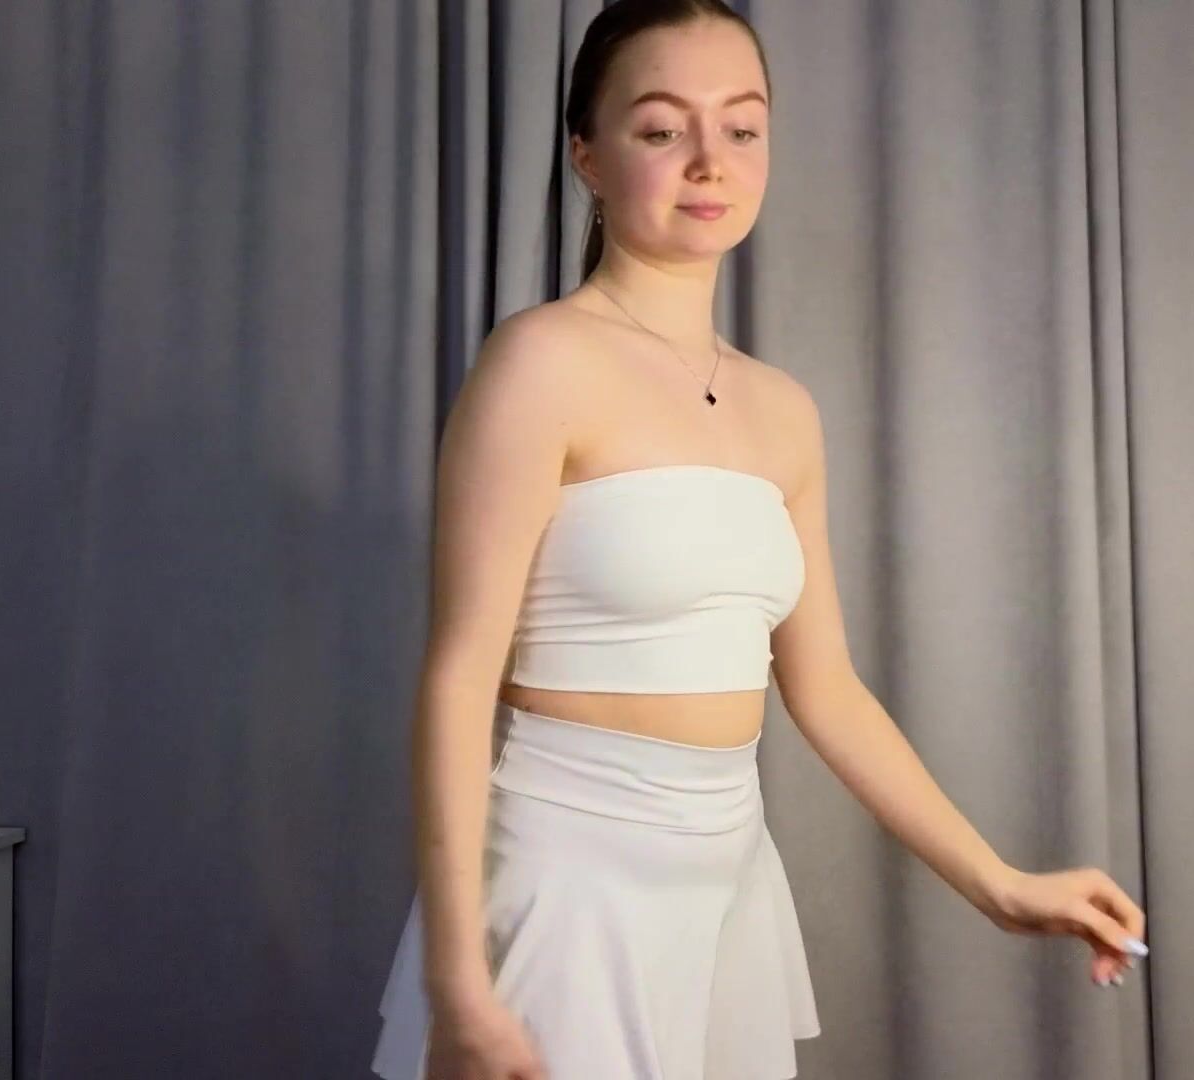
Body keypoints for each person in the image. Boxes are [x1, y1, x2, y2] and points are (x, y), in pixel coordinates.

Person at [372, 3, 1148, 1077]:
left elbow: (826, 689)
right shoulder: (539, 363)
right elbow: (460, 678)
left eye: (741, 127)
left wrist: (1000, 885)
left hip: (728, 881)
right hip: (569, 877)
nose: (710, 160)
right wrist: (458, 979)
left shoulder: (783, 411)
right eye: (661, 129)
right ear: (587, 155)